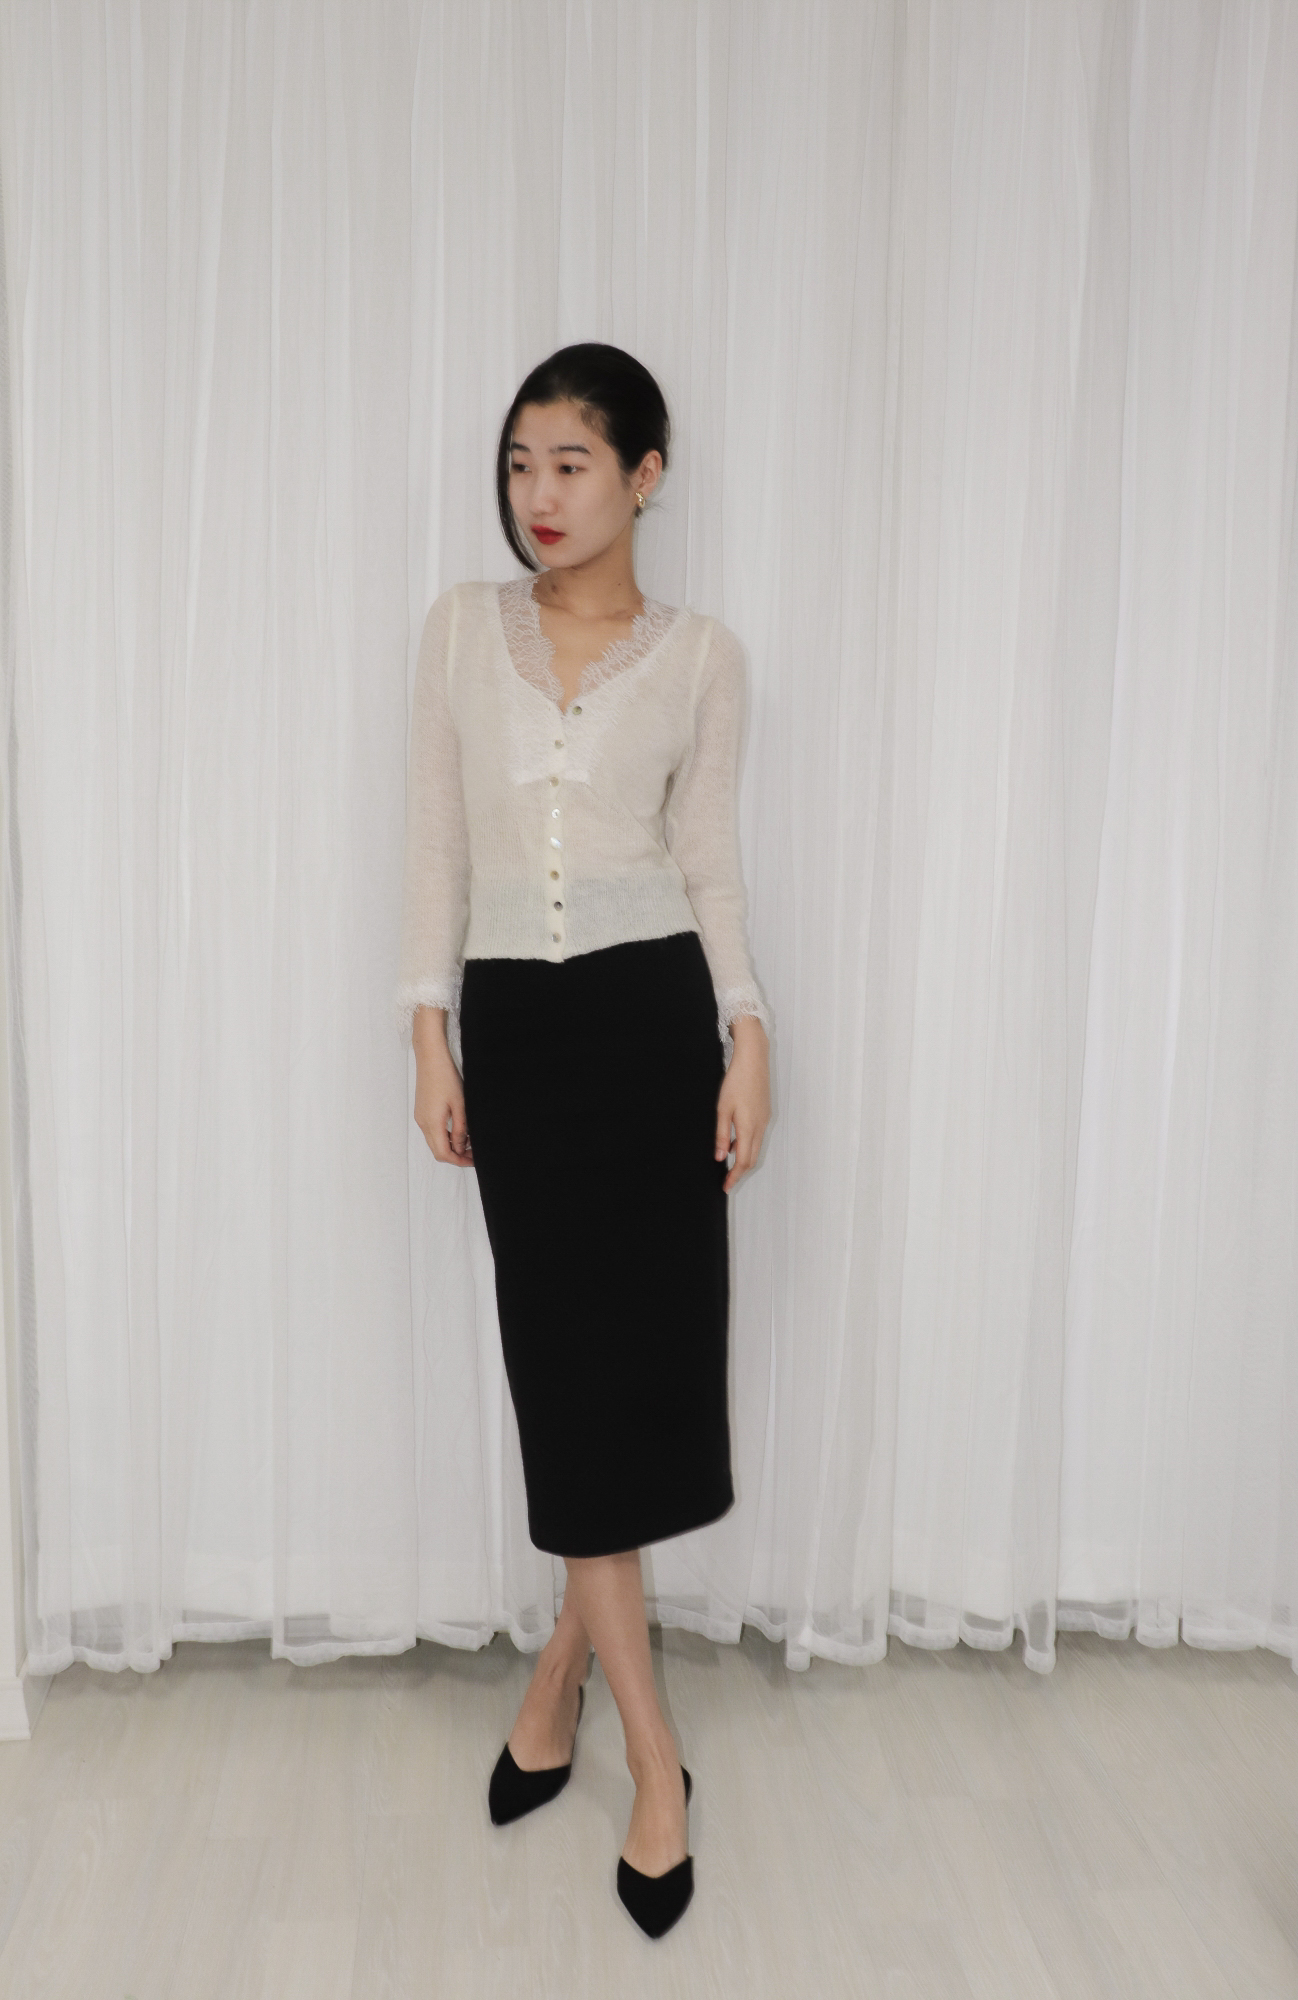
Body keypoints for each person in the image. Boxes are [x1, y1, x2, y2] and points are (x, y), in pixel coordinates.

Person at [395, 341, 772, 1939]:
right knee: (565, 1383)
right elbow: (433, 843)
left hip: (649, 1027)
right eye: (518, 463)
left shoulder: (700, 659)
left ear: (644, 474)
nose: (537, 495)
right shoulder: (458, 634)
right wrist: (426, 1030)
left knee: (636, 1382)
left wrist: (747, 1033)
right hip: (523, 1038)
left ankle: (578, 1695)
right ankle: (647, 1744)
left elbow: (707, 860)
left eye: (570, 463)